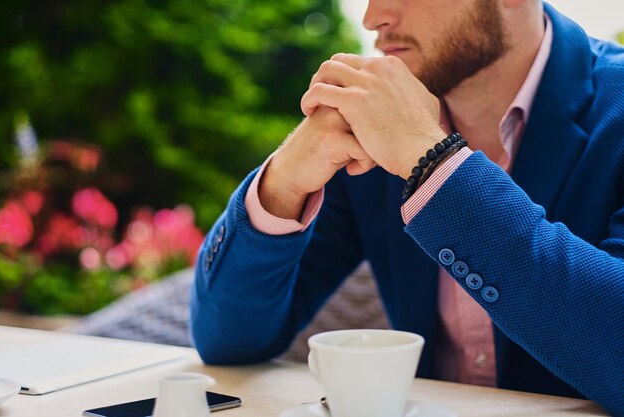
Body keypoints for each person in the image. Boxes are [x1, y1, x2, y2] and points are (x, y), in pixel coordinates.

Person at [189, 1, 624, 415]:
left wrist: (433, 164)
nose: (373, 17)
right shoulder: (370, 132)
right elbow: (229, 342)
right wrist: (283, 181)